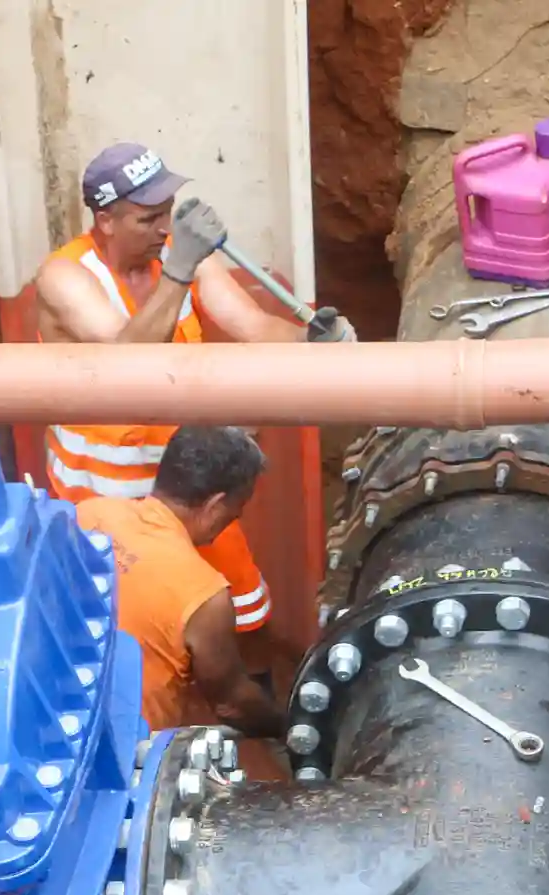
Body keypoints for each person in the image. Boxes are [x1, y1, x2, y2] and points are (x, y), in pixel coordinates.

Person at [37, 141, 355, 639]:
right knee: (129, 637)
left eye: (167, 213)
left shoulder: (175, 257)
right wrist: (181, 268)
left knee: (235, 624)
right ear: (105, 220)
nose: (165, 229)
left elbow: (251, 323)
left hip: (188, 495)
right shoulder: (67, 278)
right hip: (107, 511)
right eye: (147, 218)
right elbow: (130, 364)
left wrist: (307, 337)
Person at [75, 426, 287, 739]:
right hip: (127, 754)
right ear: (214, 507)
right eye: (235, 512)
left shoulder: (89, 514)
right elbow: (232, 704)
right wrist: (287, 726)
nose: (234, 519)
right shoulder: (203, 595)